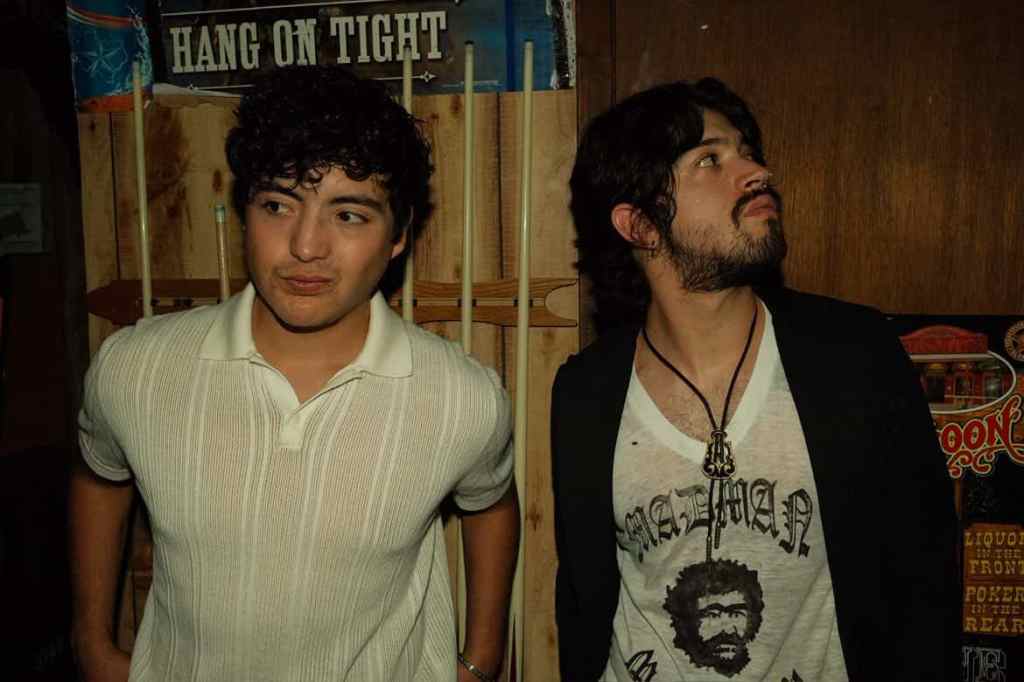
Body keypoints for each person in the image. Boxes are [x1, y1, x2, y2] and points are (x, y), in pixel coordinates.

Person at [70, 65, 519, 682]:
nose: (306, 246)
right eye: (278, 205)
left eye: (349, 214)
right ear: (245, 211)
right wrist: (93, 642)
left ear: (398, 236)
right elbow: (98, 474)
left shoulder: (462, 398)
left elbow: (491, 502)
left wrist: (481, 657)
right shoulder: (135, 368)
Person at [551, 78, 960, 681]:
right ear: (639, 225)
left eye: (747, 152)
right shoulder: (585, 393)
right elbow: (583, 599)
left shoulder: (854, 355)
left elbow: (926, 576)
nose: (757, 172)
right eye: (710, 160)